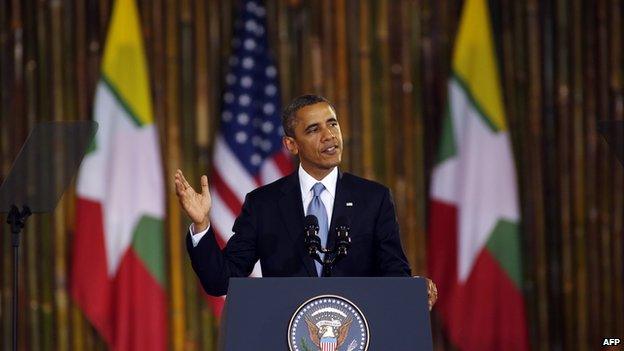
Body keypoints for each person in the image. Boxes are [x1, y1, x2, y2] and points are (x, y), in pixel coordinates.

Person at [175, 94, 437, 308]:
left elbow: (394, 272)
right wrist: (202, 225)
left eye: (332, 123)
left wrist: (411, 288)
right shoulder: (264, 204)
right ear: (291, 144)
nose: (329, 135)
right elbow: (221, 281)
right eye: (314, 129)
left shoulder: (373, 198)